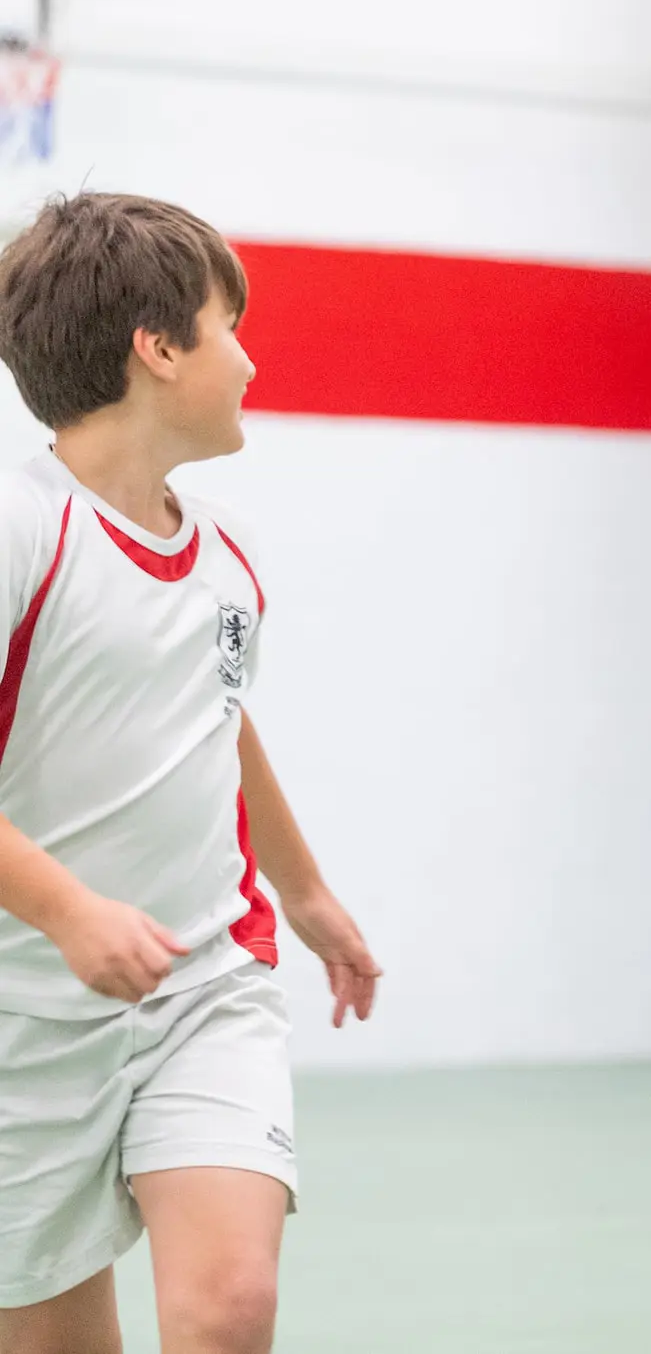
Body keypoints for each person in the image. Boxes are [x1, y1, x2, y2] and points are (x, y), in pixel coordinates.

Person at [0, 193, 381, 1354]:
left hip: (203, 980)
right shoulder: (24, 532)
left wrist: (306, 895)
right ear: (157, 350)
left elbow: (218, 719)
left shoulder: (227, 553)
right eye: (230, 327)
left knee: (228, 1305)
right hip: (25, 1023)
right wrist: (66, 913)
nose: (252, 361)